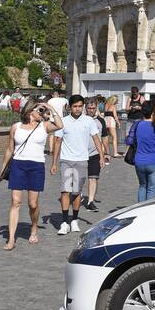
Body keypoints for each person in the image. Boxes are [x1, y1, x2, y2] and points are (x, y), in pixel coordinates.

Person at [0, 99, 64, 250]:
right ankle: (11, 239)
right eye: (39, 110)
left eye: (42, 110)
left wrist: (50, 108)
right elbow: (10, 149)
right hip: (18, 165)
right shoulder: (16, 127)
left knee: (32, 204)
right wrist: (3, 168)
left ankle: (34, 227)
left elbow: (60, 125)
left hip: (36, 166)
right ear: (29, 111)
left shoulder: (44, 126)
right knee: (15, 202)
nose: (42, 112)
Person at [50, 95, 106, 235]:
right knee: (65, 190)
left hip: (81, 160)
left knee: (76, 192)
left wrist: (101, 156)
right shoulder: (63, 122)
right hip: (66, 160)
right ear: (70, 107)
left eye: (80, 106)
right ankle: (64, 222)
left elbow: (96, 139)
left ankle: (74, 219)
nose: (77, 109)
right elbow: (57, 142)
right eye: (75, 106)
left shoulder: (88, 121)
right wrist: (54, 163)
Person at [127, 100, 155, 203]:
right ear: (153, 112)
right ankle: (148, 212)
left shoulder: (137, 125)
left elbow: (129, 140)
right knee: (152, 188)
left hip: (139, 160)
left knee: (142, 186)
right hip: (154, 161)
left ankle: (139, 209)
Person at [84, 97, 110, 210]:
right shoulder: (81, 120)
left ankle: (90, 201)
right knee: (78, 178)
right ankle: (76, 195)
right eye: (89, 108)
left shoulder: (101, 121)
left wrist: (106, 153)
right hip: (80, 153)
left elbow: (104, 137)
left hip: (95, 153)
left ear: (96, 108)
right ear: (85, 108)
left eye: (93, 108)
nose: (91, 110)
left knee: (93, 177)